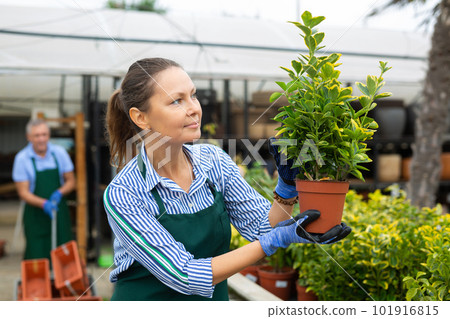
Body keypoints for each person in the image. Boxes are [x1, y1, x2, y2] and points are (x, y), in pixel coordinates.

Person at [104, 57, 351, 301]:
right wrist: (277, 239)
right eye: (177, 101)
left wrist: (286, 189)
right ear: (140, 118)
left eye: (193, 95)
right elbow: (185, 275)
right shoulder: (124, 193)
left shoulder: (213, 162)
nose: (194, 108)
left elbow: (262, 228)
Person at [13, 119, 75, 260]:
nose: (41, 139)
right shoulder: (22, 159)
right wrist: (44, 204)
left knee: (63, 253)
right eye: (37, 135)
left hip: (59, 212)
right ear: (29, 137)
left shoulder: (59, 153)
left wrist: (60, 192)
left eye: (44, 134)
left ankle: (61, 282)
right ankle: (40, 282)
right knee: (37, 253)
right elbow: (23, 193)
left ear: (49, 135)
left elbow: (71, 181)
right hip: (35, 215)